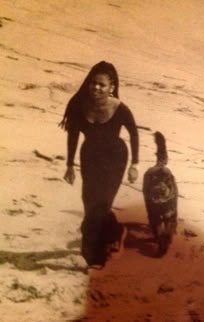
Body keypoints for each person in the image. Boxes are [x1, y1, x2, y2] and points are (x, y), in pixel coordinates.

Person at [60, 61, 139, 269]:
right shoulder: (79, 106)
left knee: (101, 205)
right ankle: (116, 232)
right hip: (90, 158)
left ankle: (94, 255)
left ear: (111, 87)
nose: (96, 88)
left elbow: (133, 133)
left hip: (115, 159)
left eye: (102, 85)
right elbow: (73, 136)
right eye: (93, 83)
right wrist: (69, 165)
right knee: (89, 203)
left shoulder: (119, 108)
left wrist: (135, 164)